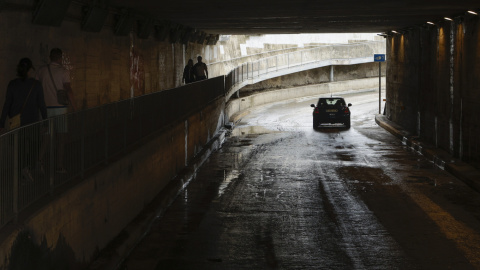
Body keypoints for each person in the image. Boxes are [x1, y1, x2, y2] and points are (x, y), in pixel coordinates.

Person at [0, 58, 48, 181]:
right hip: (32, 121)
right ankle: (27, 167)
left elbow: (7, 105)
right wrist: (46, 122)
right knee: (34, 146)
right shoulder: (36, 85)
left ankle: (23, 170)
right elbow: (42, 105)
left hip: (16, 123)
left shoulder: (12, 84)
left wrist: (1, 124)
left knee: (19, 148)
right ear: (30, 70)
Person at [36, 48, 76, 173]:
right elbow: (68, 89)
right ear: (60, 58)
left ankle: (39, 162)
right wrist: (75, 107)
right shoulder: (64, 72)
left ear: (50, 57)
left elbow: (36, 88)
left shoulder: (41, 70)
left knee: (45, 138)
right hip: (60, 109)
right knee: (61, 138)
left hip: (44, 109)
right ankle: (59, 166)